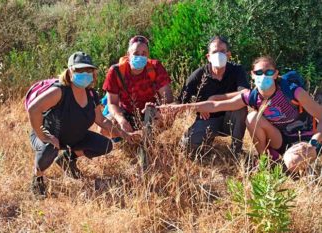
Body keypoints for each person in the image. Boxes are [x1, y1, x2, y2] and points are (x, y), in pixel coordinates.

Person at [157, 56, 322, 172]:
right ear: (252, 75)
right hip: (280, 139)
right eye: (258, 72)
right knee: (252, 118)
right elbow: (215, 105)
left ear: (276, 74)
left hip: (304, 140)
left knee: (293, 162)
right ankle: (267, 161)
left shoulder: (293, 92)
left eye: (269, 72)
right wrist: (180, 108)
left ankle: (296, 165)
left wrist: (313, 143)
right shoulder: (252, 96)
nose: (263, 76)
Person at [28, 51, 134, 198]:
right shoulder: (59, 91)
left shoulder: (91, 95)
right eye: (79, 70)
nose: (85, 73)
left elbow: (101, 120)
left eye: (88, 70)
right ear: (70, 71)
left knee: (105, 145)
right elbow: (33, 109)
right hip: (51, 137)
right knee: (50, 148)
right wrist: (44, 136)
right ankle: (37, 178)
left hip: (74, 137)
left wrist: (123, 133)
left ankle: (66, 159)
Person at [177, 36, 250, 158]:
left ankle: (236, 151)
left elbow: (246, 93)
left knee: (240, 107)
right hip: (207, 119)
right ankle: (206, 142)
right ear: (208, 57)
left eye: (222, 51)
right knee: (186, 147)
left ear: (228, 55)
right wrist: (200, 108)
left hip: (230, 119)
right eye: (215, 52)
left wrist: (215, 98)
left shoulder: (236, 70)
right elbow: (182, 100)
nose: (219, 55)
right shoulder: (199, 74)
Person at [102, 35, 174, 134]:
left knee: (170, 116)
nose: (140, 56)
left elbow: (168, 98)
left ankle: (148, 137)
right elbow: (112, 103)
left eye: (144, 53)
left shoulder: (155, 67)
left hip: (153, 112)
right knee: (103, 129)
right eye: (136, 53)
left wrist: (159, 111)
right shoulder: (116, 71)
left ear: (148, 55)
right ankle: (126, 139)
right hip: (127, 113)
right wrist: (121, 120)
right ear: (128, 54)